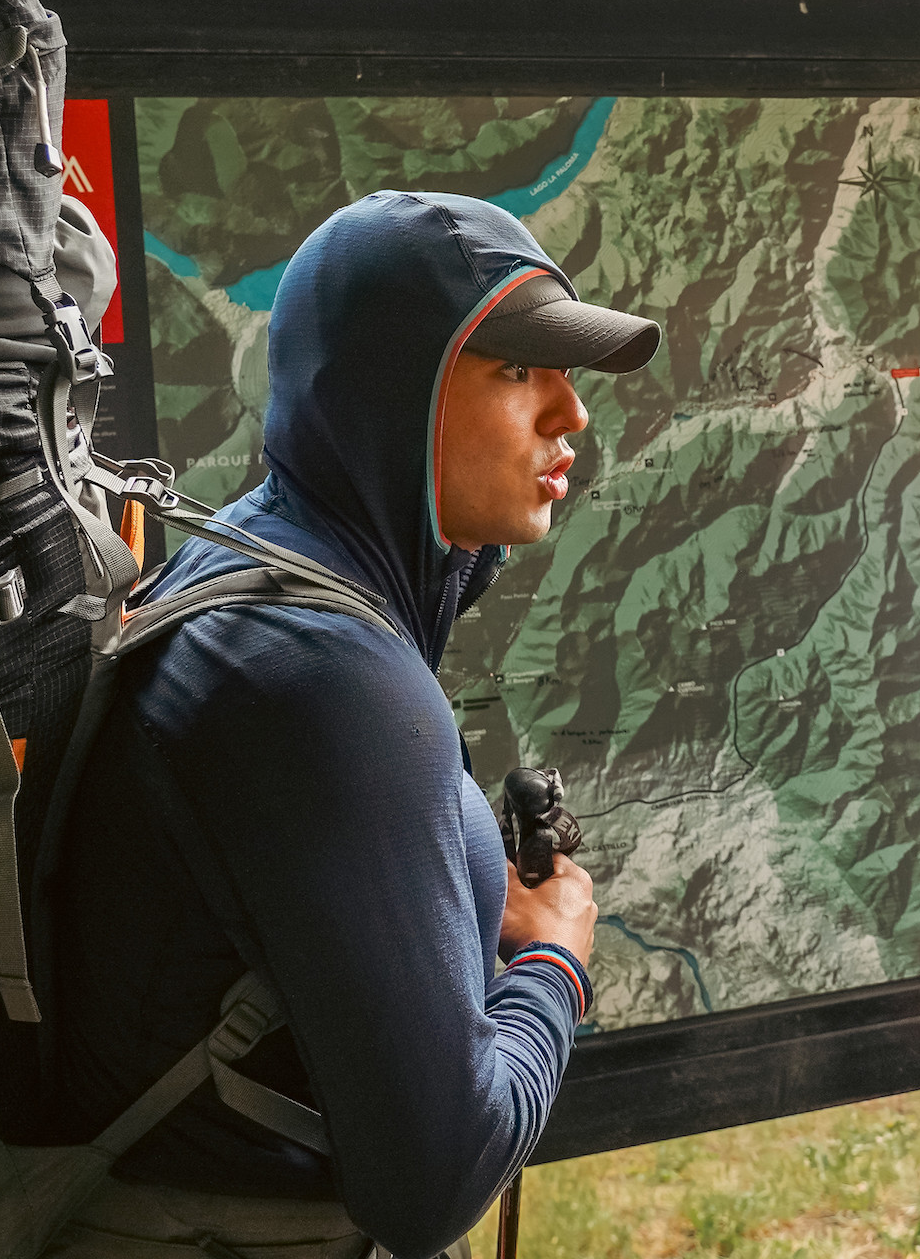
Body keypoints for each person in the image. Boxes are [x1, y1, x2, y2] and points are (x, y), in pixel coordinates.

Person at [48, 191, 660, 1257]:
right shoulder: (326, 683)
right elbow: (434, 1179)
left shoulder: (257, 566)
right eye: (519, 370)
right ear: (389, 395)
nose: (573, 414)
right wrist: (554, 961)